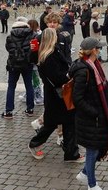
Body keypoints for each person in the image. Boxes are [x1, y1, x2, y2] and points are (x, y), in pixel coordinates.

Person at [70, 37, 108, 190]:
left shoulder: (94, 66)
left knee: (98, 146)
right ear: (92, 50)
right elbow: (77, 97)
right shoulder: (83, 70)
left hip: (98, 115)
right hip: (91, 118)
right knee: (92, 150)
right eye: (98, 48)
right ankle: (92, 185)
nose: (99, 51)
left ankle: (85, 173)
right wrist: (94, 112)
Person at [28, 28, 83, 162]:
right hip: (56, 95)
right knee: (51, 123)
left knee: (69, 122)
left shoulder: (52, 51)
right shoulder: (49, 56)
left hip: (58, 94)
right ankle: (34, 144)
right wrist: (71, 74)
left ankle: (71, 153)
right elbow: (57, 77)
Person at [2, 17, 35, 118]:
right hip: (27, 63)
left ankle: (9, 111)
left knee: (11, 87)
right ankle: (30, 109)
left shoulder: (10, 36)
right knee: (29, 85)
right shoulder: (32, 35)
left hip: (13, 64)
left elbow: (8, 49)